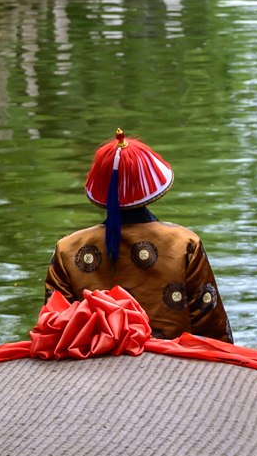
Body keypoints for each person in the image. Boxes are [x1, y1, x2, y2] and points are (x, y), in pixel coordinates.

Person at [45, 131, 233, 343]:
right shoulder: (185, 243)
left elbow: (54, 326)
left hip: (93, 366)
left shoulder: (67, 249)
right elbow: (211, 328)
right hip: (173, 361)